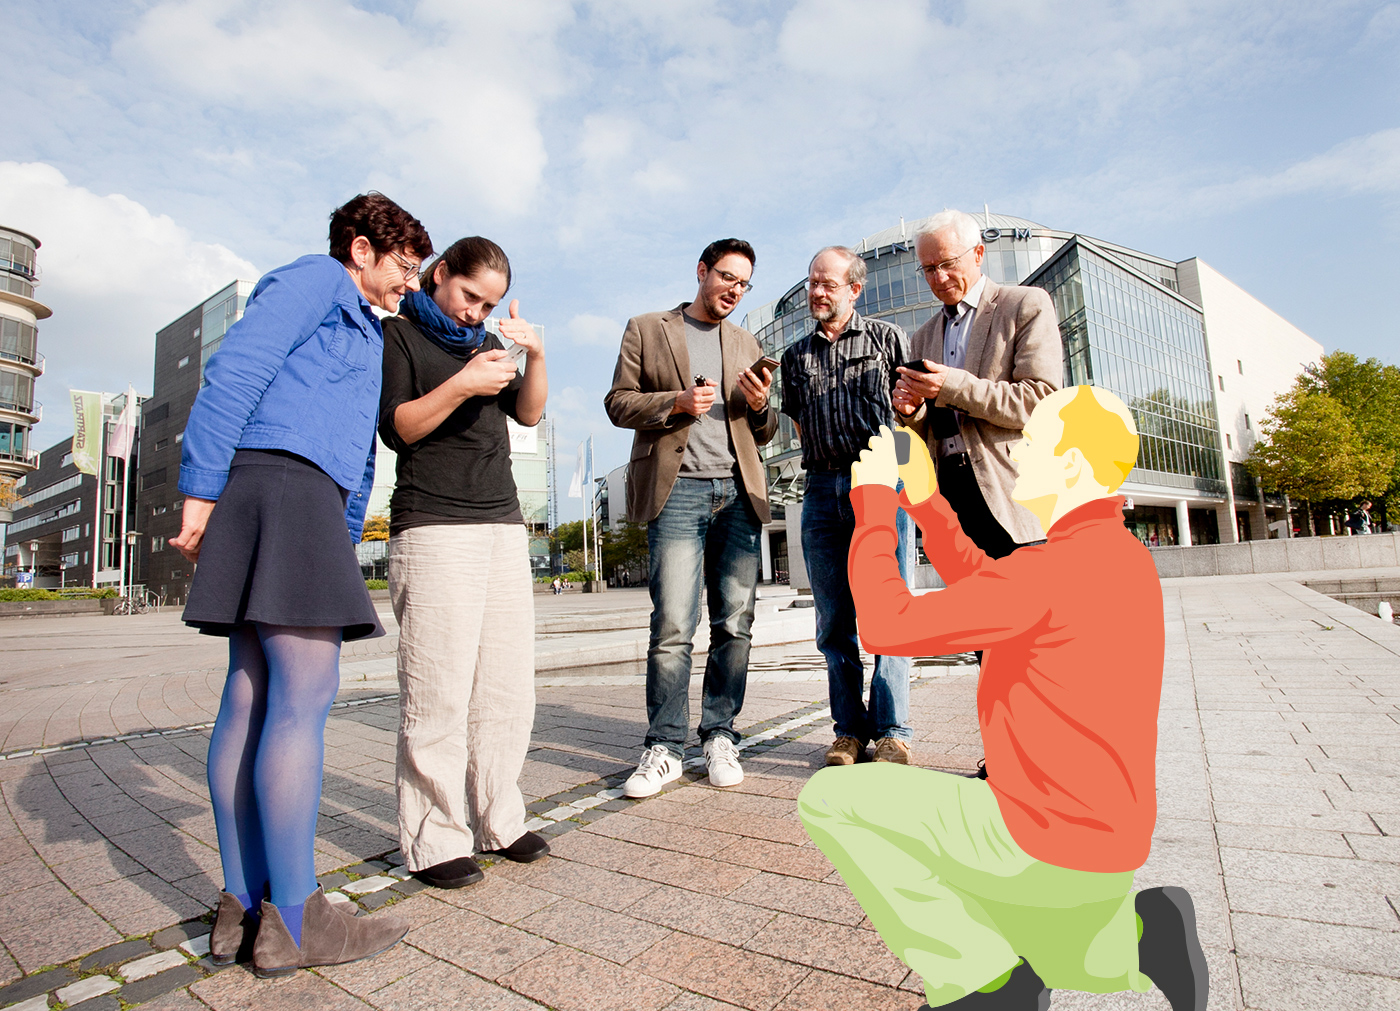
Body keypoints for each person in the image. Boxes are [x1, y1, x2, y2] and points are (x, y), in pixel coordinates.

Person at [799, 387, 1207, 1011]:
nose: (1016, 455)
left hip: (1041, 833)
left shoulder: (1045, 573)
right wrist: (928, 500)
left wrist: (875, 500)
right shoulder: (1122, 557)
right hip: (1112, 839)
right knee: (1072, 953)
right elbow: (992, 584)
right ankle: (1144, 935)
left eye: (1030, 443)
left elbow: (885, 622)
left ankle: (985, 984)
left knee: (832, 800)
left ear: (1069, 465)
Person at [172, 193, 432, 977]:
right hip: (279, 486)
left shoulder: (366, 325)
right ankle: (295, 915)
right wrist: (199, 484)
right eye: (402, 267)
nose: (408, 285)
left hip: (298, 501)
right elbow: (239, 368)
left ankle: (242, 907)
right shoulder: (318, 279)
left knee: (250, 694)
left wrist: (343, 534)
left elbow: (358, 451)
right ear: (361, 249)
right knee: (302, 696)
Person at [379, 236, 550, 890]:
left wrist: (535, 353)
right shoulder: (400, 334)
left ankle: (497, 817)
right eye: (469, 295)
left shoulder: (484, 344)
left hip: (500, 522)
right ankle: (432, 837)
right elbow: (400, 426)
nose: (478, 312)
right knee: (437, 689)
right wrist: (463, 383)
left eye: (490, 303)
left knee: (506, 687)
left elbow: (528, 411)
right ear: (439, 273)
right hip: (432, 524)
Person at [604, 238, 778, 797]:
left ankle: (720, 732)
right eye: (726, 276)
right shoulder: (647, 328)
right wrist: (674, 402)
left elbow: (764, 431)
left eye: (744, 283)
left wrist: (760, 407)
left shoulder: (747, 340)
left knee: (735, 624)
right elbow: (617, 403)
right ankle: (664, 746)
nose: (734, 289)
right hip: (676, 490)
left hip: (738, 493)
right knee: (674, 625)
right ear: (702, 272)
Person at [779, 246, 915, 767]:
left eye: (828, 283)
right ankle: (848, 733)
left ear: (854, 289)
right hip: (820, 491)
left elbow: (912, 410)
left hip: (880, 485)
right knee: (834, 621)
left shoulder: (887, 339)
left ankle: (893, 732)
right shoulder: (795, 357)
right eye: (812, 282)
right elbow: (797, 424)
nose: (817, 291)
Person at [893, 210, 1062, 559]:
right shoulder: (923, 336)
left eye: (948, 263)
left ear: (979, 254)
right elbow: (930, 430)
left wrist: (950, 384)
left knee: (1031, 609)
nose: (938, 277)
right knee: (973, 611)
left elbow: (1040, 402)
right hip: (951, 497)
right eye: (928, 268)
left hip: (1012, 492)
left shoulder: (1024, 305)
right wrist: (912, 413)